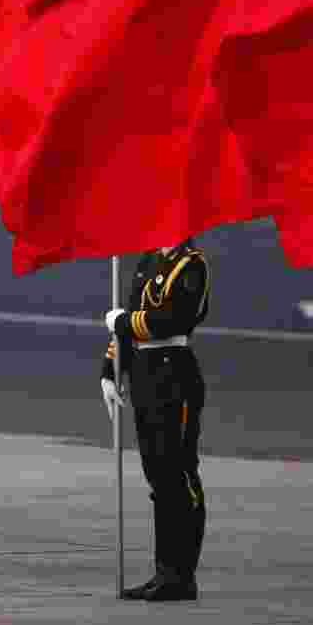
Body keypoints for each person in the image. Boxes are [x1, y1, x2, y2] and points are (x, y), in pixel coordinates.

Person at [102, 238, 210, 601]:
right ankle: (164, 569)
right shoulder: (149, 259)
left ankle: (182, 574)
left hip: (174, 375)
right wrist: (109, 368)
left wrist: (124, 322)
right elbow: (131, 317)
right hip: (144, 374)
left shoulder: (192, 264)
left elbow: (174, 319)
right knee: (159, 477)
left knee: (178, 473)